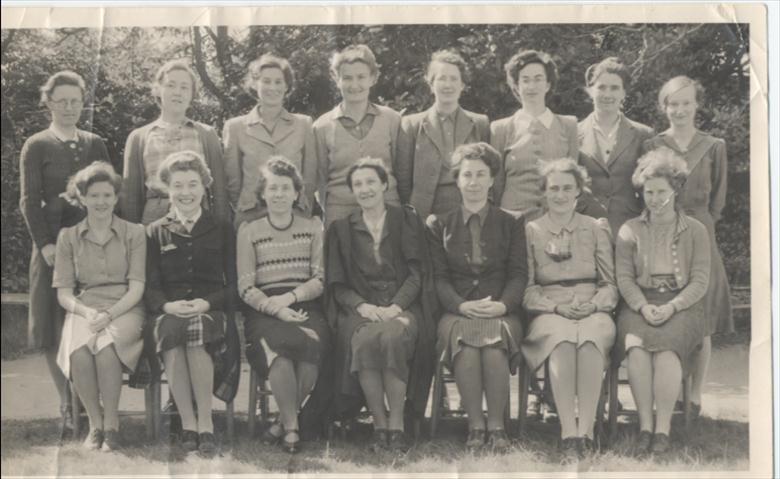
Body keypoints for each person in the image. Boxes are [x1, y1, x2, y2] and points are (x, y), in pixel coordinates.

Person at [19, 70, 111, 436]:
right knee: (51, 326)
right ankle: (68, 403)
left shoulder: (95, 143)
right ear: (49, 103)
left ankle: (90, 402)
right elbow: (28, 201)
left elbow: (108, 193)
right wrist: (45, 244)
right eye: (62, 101)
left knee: (89, 322)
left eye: (76, 101)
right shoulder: (36, 145)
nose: (70, 107)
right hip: (52, 247)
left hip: (91, 244)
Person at [324, 158, 434, 452]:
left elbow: (417, 274)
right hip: (361, 311)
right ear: (352, 191)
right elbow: (338, 285)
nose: (365, 189)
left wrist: (396, 307)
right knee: (365, 340)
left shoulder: (407, 220)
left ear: (384, 184)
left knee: (392, 336)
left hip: (403, 307)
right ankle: (379, 425)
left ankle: (396, 426)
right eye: (358, 184)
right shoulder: (341, 229)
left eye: (371, 181)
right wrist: (363, 307)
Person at [426, 142, 526, 452]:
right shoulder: (438, 223)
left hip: (501, 310)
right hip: (456, 311)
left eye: (480, 174)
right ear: (457, 180)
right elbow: (438, 278)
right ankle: (475, 426)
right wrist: (460, 305)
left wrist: (503, 305)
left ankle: (496, 426)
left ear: (492, 179)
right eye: (467, 175)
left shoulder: (512, 221)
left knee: (494, 344)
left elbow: (518, 274)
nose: (473, 182)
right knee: (466, 345)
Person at [643, 76, 732, 417]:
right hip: (660, 234)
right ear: (663, 107)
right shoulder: (654, 144)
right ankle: (665, 392)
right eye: (672, 103)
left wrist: (699, 228)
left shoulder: (714, 146)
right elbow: (646, 187)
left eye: (686, 103)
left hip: (700, 235)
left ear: (697, 104)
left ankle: (693, 397)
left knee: (701, 319)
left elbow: (719, 202)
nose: (679, 110)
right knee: (664, 310)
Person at [615, 147, 710, 454]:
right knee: (638, 349)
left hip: (682, 305)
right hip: (639, 304)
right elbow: (625, 278)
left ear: (675, 190)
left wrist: (672, 306)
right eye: (648, 192)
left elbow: (700, 281)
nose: (654, 199)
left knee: (667, 349)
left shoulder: (696, 230)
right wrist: (643, 306)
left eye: (661, 192)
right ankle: (644, 426)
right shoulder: (630, 230)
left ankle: (663, 429)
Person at [145, 151, 240, 456]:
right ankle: (187, 424)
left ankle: (206, 424)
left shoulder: (223, 227)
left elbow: (235, 285)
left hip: (211, 311)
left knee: (197, 328)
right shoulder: (155, 230)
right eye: (178, 186)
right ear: (167, 189)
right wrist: (165, 306)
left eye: (193, 184)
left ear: (204, 187)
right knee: (171, 330)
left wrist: (206, 302)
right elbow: (149, 285)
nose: (186, 193)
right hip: (170, 312)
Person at [521, 159, 617, 458]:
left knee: (589, 340)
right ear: (544, 193)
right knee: (561, 341)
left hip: (593, 307)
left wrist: (593, 305)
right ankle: (568, 433)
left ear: (579, 191)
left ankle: (586, 432)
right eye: (554, 189)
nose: (560, 195)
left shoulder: (595, 227)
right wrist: (555, 308)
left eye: (567, 188)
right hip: (550, 311)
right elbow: (526, 288)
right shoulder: (531, 230)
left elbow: (610, 284)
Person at [236, 157, 330, 453]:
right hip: (264, 309)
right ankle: (291, 428)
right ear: (263, 193)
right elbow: (245, 286)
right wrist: (275, 308)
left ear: (296, 193)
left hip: (304, 304)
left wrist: (290, 299)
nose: (278, 194)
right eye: (272, 188)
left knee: (311, 348)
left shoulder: (313, 227)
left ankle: (281, 422)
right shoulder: (249, 231)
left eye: (285, 188)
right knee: (280, 355)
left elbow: (320, 278)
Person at [53, 162, 146, 451]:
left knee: (106, 347)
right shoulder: (67, 236)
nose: (101, 202)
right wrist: (87, 312)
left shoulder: (135, 232)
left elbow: (137, 288)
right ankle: (95, 425)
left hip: (125, 307)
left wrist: (109, 315)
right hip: (86, 307)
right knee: (78, 350)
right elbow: (64, 294)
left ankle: (112, 425)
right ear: (82, 197)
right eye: (94, 195)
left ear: (116, 198)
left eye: (107, 195)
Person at [121, 59, 228, 225]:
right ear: (158, 90)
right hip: (154, 219)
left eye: (184, 87)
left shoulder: (206, 134)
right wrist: (132, 237)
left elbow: (219, 192)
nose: (177, 92)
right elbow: (130, 198)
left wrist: (223, 231)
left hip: (198, 218)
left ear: (192, 94)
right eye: (170, 85)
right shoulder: (139, 137)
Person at [224, 54, 317, 227]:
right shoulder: (235, 127)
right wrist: (248, 204)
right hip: (251, 217)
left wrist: (301, 206)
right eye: (266, 81)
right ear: (255, 84)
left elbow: (309, 178)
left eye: (278, 81)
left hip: (295, 215)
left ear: (287, 86)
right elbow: (233, 182)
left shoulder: (303, 125)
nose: (272, 87)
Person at [313, 45, 402, 227]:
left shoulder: (392, 119)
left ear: (373, 78)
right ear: (336, 80)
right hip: (340, 213)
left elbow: (402, 171)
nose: (354, 85)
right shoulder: (321, 127)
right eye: (347, 78)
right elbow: (320, 180)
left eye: (361, 77)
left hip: (387, 209)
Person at [396, 49, 490, 218]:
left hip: (469, 209)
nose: (448, 85)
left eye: (454, 79)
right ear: (431, 85)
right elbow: (403, 180)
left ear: (462, 85)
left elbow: (489, 172)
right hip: (425, 213)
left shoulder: (480, 123)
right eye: (441, 78)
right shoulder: (411, 125)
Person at [490, 49, 580, 221]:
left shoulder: (568, 125)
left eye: (538, 79)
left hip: (557, 220)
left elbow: (574, 180)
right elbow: (496, 185)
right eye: (525, 80)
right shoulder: (500, 129)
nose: (532, 86)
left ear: (548, 84)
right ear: (516, 85)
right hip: (513, 222)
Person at [578, 57, 655, 236]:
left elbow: (649, 186)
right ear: (590, 91)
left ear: (624, 93)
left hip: (630, 228)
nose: (607, 94)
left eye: (615, 88)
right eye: (601, 87)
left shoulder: (643, 134)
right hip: (586, 228)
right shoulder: (573, 133)